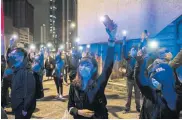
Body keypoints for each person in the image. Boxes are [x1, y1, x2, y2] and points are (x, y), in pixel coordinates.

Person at [68, 24, 116, 119]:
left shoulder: (99, 83)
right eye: (82, 64)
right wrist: (78, 112)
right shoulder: (74, 85)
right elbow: (70, 106)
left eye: (87, 65)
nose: (83, 67)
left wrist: (111, 40)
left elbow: (108, 66)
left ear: (94, 68)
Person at [134, 48, 179, 118]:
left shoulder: (171, 66)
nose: (170, 53)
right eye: (167, 51)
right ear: (163, 55)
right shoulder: (155, 66)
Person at [8, 48, 36, 119]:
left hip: (22, 108)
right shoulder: (16, 69)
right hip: (17, 105)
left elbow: (30, 93)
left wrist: (25, 109)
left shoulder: (26, 71)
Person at [122, 36, 140, 113]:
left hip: (137, 79)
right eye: (131, 50)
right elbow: (123, 52)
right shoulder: (128, 58)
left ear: (136, 51)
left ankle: (138, 108)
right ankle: (127, 108)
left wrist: (143, 40)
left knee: (137, 94)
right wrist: (124, 43)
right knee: (128, 94)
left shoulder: (138, 58)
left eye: (134, 50)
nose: (132, 51)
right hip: (129, 79)